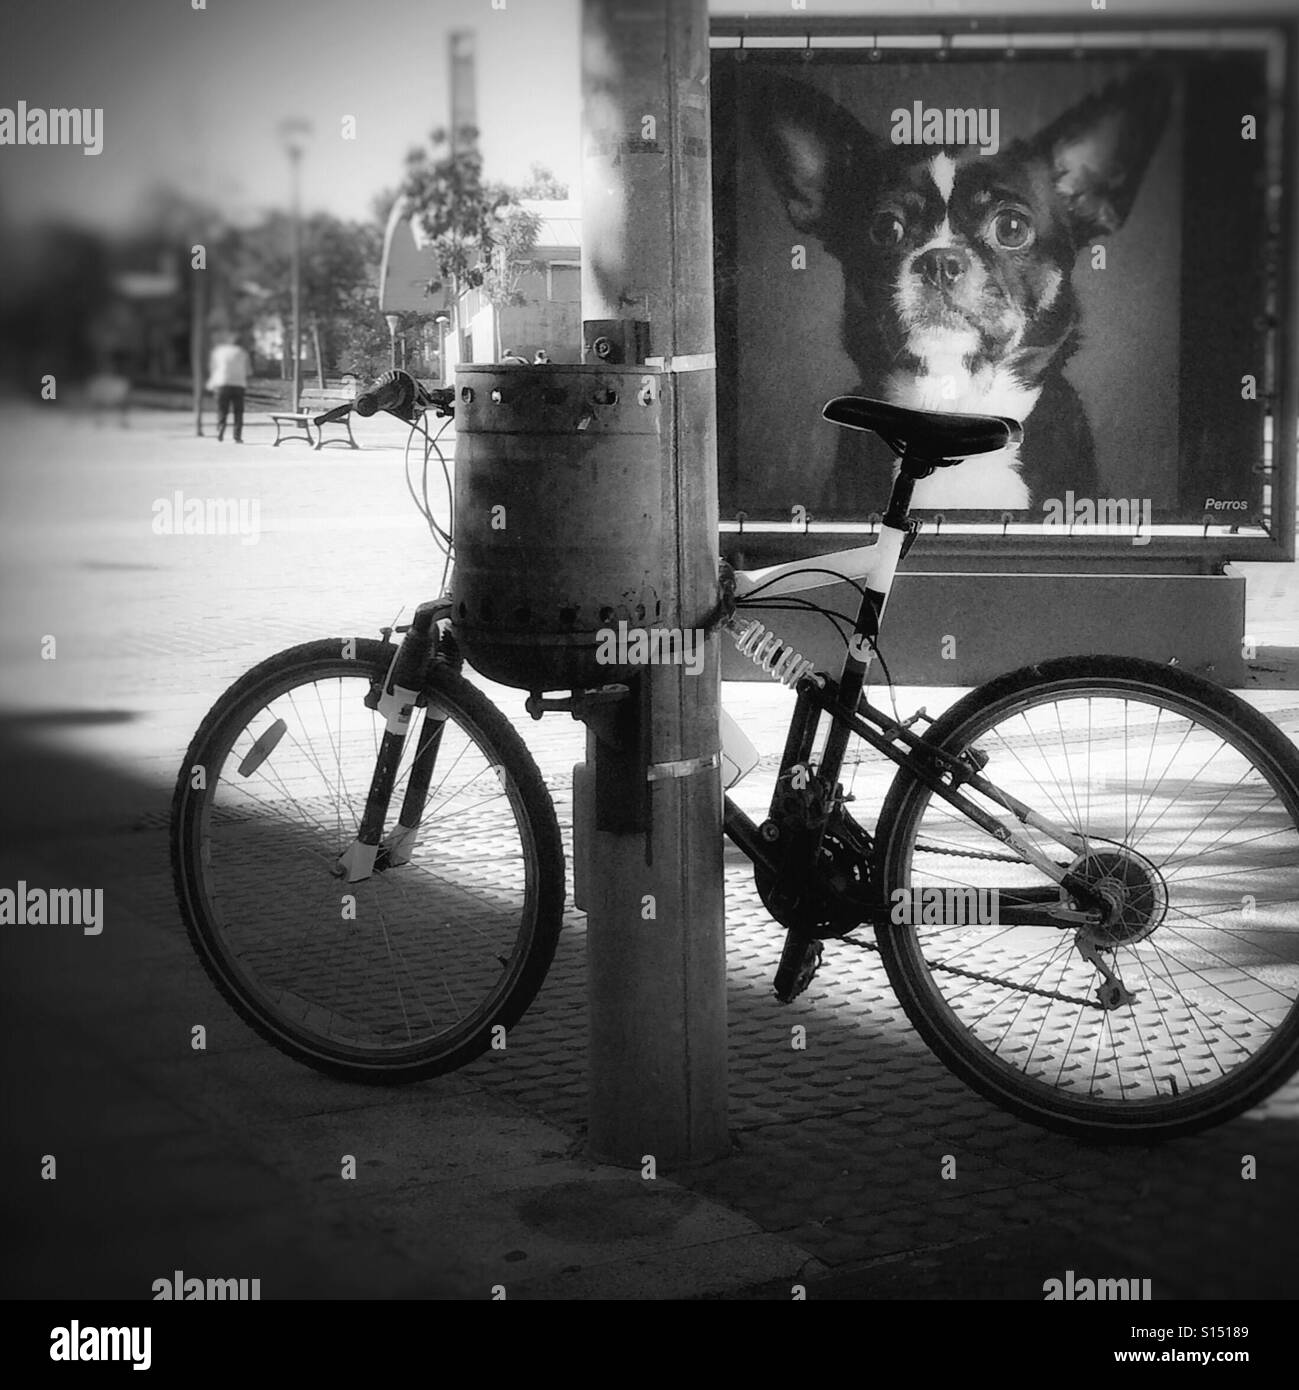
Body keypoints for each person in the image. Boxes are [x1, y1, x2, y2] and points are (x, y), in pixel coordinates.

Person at [207, 332, 251, 442]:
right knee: (238, 412)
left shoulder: (218, 351)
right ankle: (237, 436)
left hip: (221, 384)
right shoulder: (243, 353)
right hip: (238, 385)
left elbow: (213, 368)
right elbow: (249, 371)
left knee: (222, 409)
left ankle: (220, 429)